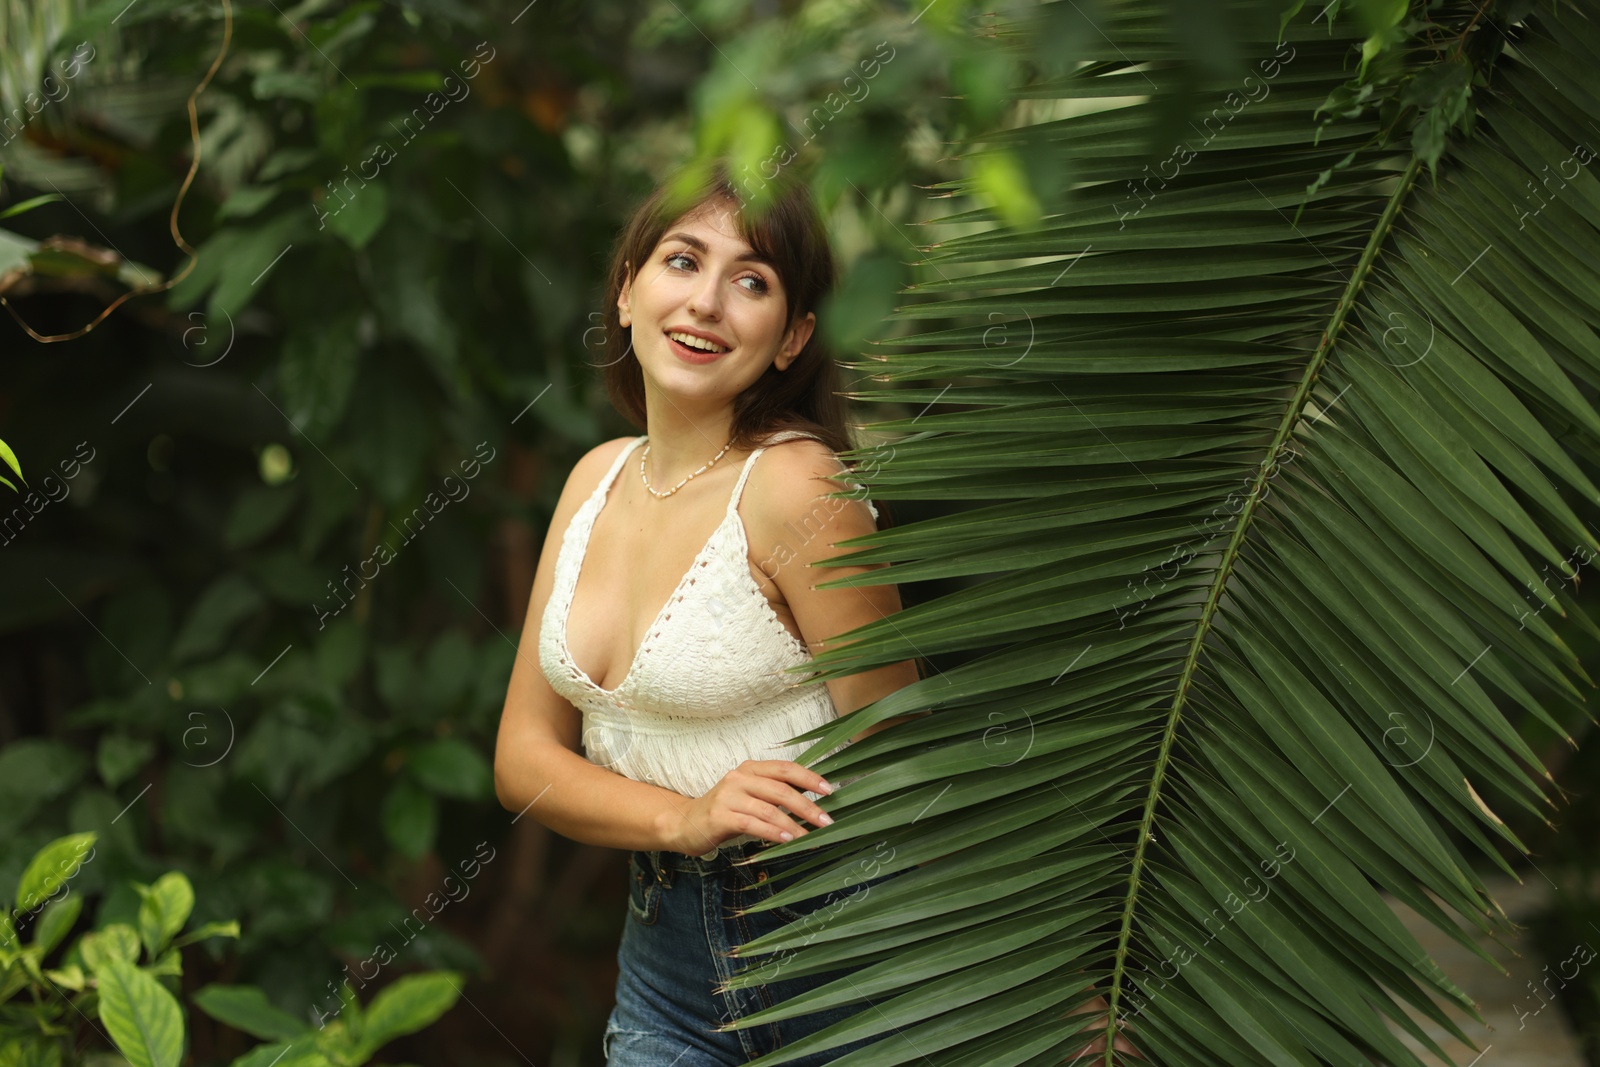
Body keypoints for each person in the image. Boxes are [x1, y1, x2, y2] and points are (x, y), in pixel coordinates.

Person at [492, 158, 921, 1066]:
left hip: (840, 956)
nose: (706, 303)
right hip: (665, 965)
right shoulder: (591, 481)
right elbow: (524, 758)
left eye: (752, 281)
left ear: (794, 334)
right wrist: (681, 821)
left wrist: (1037, 984)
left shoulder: (798, 484)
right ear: (626, 292)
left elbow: (905, 755)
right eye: (682, 261)